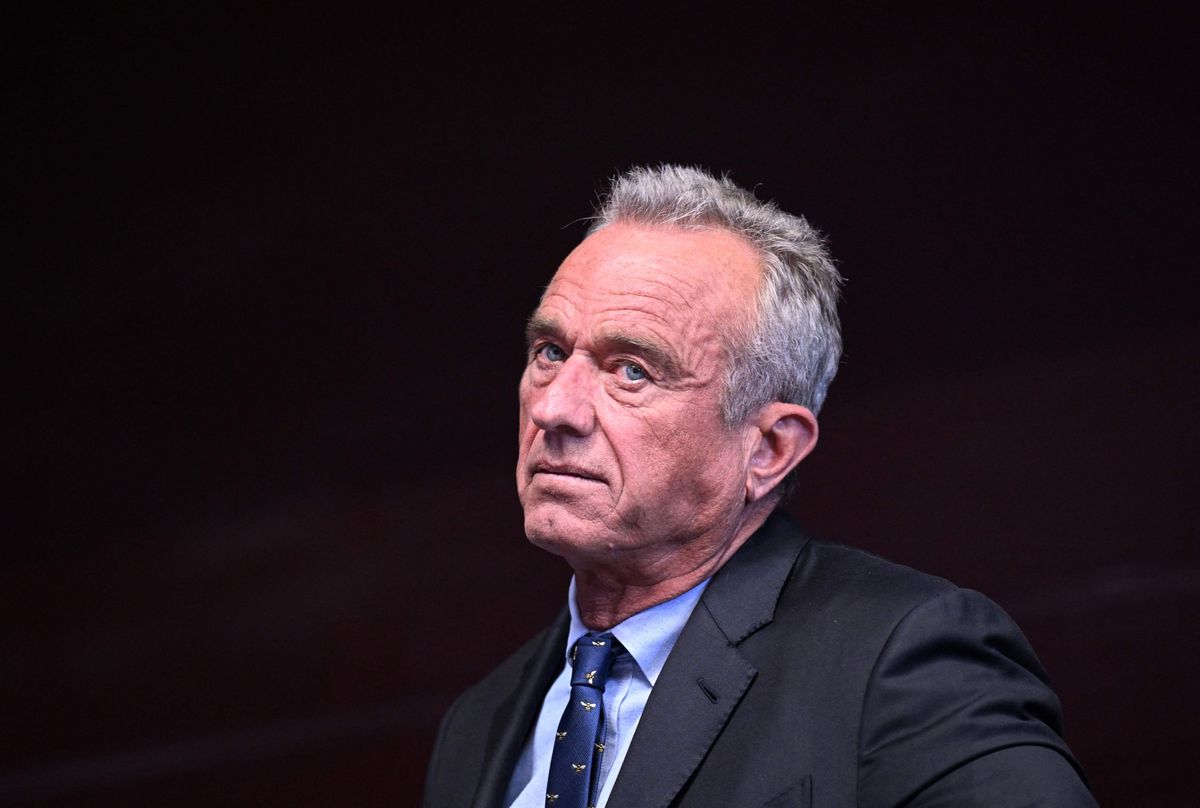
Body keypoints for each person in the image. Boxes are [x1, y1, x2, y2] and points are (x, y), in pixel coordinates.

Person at [424, 165, 1096, 807]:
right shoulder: (479, 723)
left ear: (769, 448)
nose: (554, 408)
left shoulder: (901, 663)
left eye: (631, 371)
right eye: (550, 352)